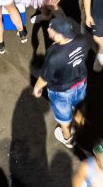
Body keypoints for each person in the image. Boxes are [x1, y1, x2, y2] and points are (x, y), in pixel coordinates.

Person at [35, 14, 89, 148]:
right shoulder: (82, 40)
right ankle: (79, 122)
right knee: (77, 105)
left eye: (51, 29)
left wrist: (37, 88)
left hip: (62, 91)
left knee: (64, 119)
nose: (48, 30)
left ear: (59, 36)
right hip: (81, 83)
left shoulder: (54, 54)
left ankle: (67, 137)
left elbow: (45, 77)